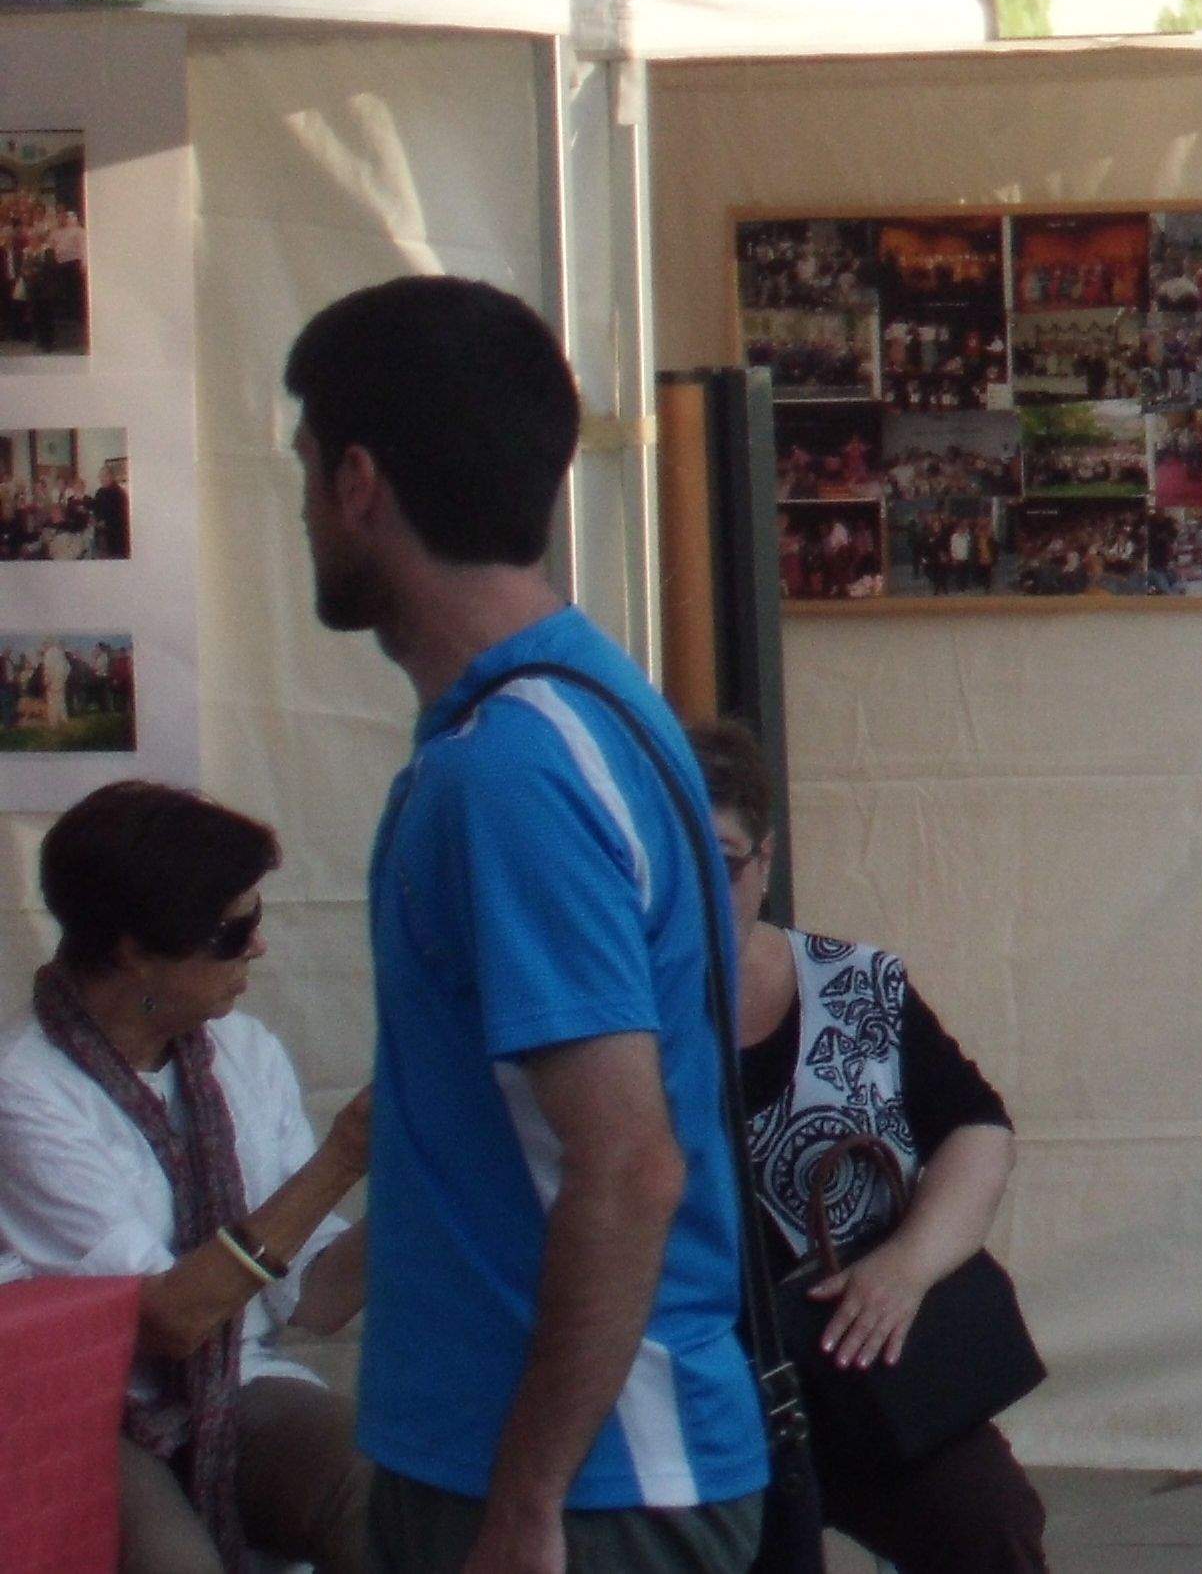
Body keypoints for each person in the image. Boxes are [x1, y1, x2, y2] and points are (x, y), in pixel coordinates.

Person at [291, 273, 767, 1574]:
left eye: (302, 467)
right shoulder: (569, 715)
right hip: (538, 1458)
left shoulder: (513, 767)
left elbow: (628, 1164)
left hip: (578, 1485)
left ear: (357, 482)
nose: (299, 512)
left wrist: (525, 1503)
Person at [687, 722, 1046, 1574]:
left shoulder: (856, 985)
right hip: (701, 1395)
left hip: (867, 1373)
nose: (698, 887)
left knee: (990, 1528)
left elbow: (977, 1124)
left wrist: (908, 1265)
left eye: (724, 861)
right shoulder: (609, 1013)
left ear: (767, 861)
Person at [0, 783, 375, 1574]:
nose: (259, 947)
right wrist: (342, 1156)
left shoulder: (243, 1051)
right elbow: (171, 1319)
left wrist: (432, 1176)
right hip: (78, 1404)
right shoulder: (23, 1088)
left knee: (382, 1490)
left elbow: (309, 1296)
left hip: (234, 1376)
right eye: (233, 929)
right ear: (133, 948)